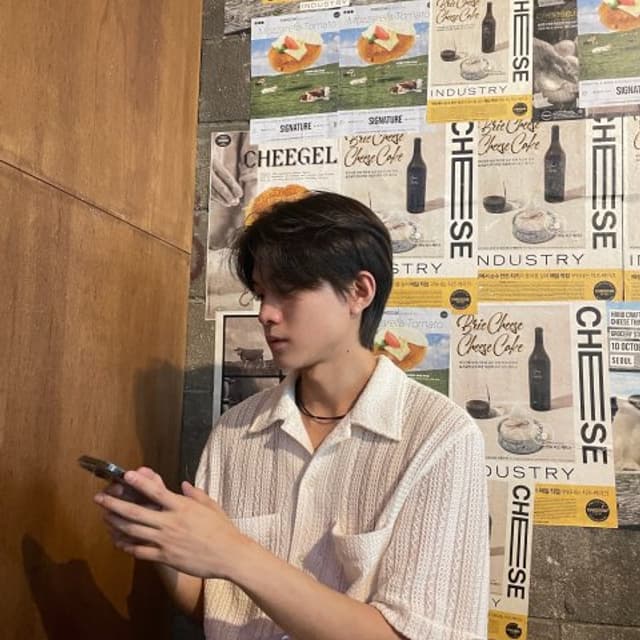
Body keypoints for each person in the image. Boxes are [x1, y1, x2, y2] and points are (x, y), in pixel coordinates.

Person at [95, 191, 489, 640]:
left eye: (288, 290)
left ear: (359, 292)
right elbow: (214, 607)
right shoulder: (236, 431)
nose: (266, 313)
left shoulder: (440, 437)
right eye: (262, 293)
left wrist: (231, 551)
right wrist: (163, 536)